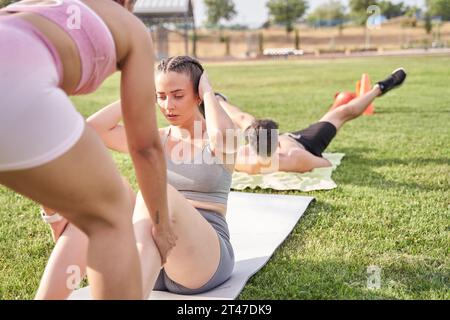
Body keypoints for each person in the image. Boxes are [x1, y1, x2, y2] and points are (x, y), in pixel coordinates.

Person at [0, 0, 175, 299]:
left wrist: (55, 213)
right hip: (13, 88)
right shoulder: (130, 27)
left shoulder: (35, 6)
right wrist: (162, 226)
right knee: (111, 214)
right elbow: (145, 147)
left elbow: (45, 131)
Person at [37, 56, 238, 299]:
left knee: (154, 193)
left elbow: (223, 137)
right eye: (161, 96)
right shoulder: (154, 138)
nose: (168, 106)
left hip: (202, 260)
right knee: (105, 194)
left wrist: (208, 91)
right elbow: (93, 131)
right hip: (151, 259)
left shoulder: (217, 138)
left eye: (177, 95)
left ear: (196, 95)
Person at [217, 68, 407, 174]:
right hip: (304, 142)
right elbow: (325, 163)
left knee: (243, 118)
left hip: (269, 141)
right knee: (342, 112)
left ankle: (217, 99)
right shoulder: (294, 157)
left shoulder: (240, 157)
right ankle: (379, 88)